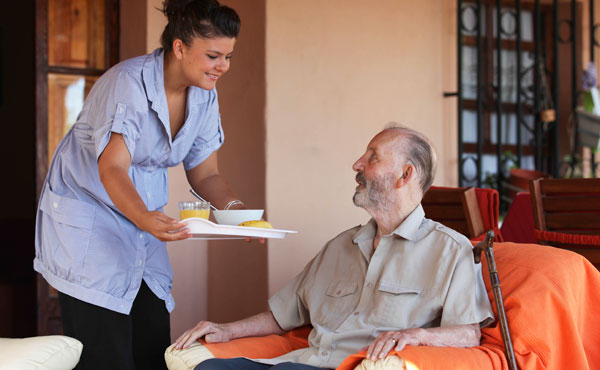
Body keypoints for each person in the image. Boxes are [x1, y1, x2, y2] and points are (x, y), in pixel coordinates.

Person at [34, 1, 248, 369]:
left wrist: (237, 214)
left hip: (142, 225)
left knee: (152, 349)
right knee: (105, 356)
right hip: (91, 225)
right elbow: (112, 168)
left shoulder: (204, 94)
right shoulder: (127, 84)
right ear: (180, 47)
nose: (223, 67)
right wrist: (145, 218)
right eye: (214, 55)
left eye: (228, 57)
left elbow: (205, 174)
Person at [173, 124, 494, 370]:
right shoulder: (339, 247)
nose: (357, 164)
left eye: (372, 157)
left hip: (352, 366)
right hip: (301, 362)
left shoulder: (451, 252)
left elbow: (468, 334)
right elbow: (284, 314)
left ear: (404, 175)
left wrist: (419, 336)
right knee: (208, 367)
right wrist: (226, 330)